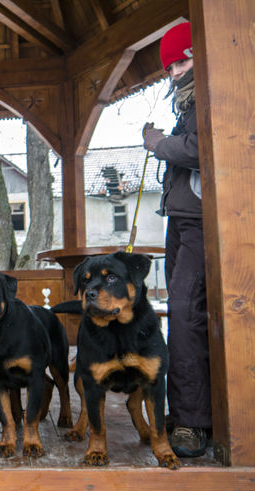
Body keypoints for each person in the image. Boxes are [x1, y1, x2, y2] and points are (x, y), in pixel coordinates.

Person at [142, 22, 210, 457]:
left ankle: (191, 422)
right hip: (181, 218)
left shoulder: (212, 95)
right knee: (183, 313)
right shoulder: (188, 102)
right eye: (169, 66)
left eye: (181, 61)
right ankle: (187, 410)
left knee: (185, 313)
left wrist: (157, 142)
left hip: (204, 222)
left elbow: (202, 147)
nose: (174, 72)